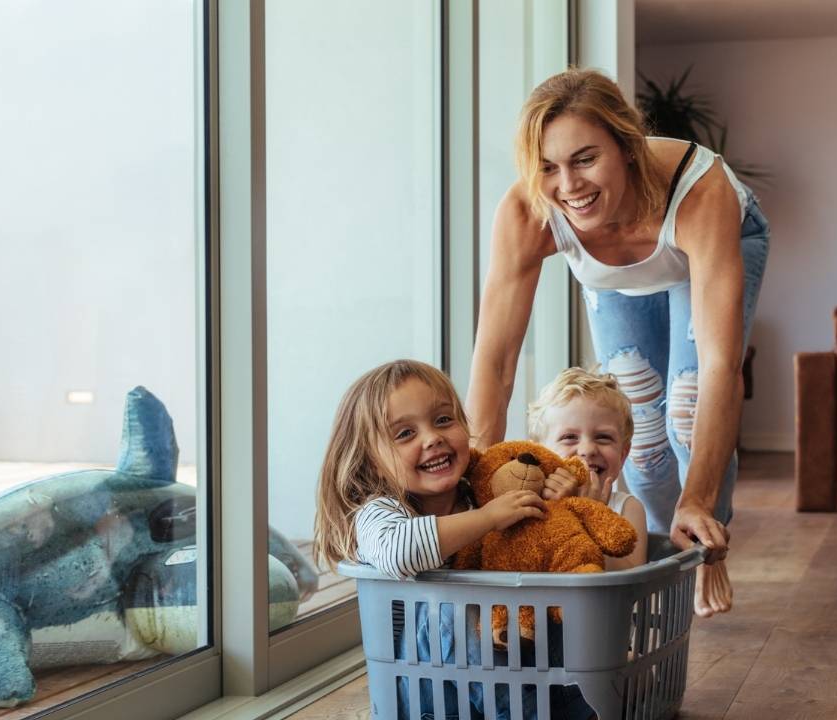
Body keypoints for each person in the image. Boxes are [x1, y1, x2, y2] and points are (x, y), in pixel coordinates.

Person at [467, 67, 771, 617]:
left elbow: (722, 364)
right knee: (643, 437)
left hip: (711, 245)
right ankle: (658, 557)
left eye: (585, 158)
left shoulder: (700, 190)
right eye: (548, 167)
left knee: (685, 404)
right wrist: (475, 484)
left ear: (626, 146)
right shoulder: (528, 210)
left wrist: (699, 497)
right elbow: (495, 361)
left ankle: (704, 540)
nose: (569, 186)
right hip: (620, 279)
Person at [314, 359, 588, 720]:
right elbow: (401, 553)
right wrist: (487, 519)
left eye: (444, 420)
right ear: (371, 462)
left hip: (509, 674)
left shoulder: (480, 493)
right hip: (425, 694)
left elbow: (545, 546)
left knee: (545, 603)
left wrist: (562, 501)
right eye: (405, 434)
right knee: (451, 607)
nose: (433, 438)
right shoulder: (379, 513)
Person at [528, 366, 649, 569]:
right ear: (540, 452)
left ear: (623, 454)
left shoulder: (627, 508)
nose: (587, 450)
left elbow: (631, 578)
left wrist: (589, 515)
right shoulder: (530, 501)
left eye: (603, 437)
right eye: (569, 437)